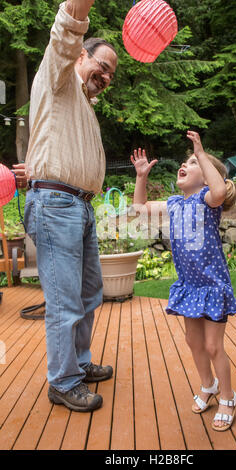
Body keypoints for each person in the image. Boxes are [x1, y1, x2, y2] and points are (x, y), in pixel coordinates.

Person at [22, 0, 118, 412]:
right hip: (57, 204)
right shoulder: (58, 75)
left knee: (89, 292)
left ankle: (77, 364)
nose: (108, 75)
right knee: (65, 300)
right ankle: (62, 382)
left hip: (77, 205)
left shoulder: (81, 103)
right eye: (103, 64)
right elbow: (64, 33)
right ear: (81, 55)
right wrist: (78, 9)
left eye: (113, 72)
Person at [131, 130, 236, 431]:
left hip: (212, 286)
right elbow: (140, 209)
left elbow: (219, 191)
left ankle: (229, 398)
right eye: (186, 161)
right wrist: (141, 177)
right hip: (190, 287)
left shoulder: (208, 201)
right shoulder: (175, 205)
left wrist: (201, 153)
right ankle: (209, 385)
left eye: (193, 163)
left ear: (206, 176)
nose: (186, 164)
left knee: (213, 346)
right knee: (193, 342)